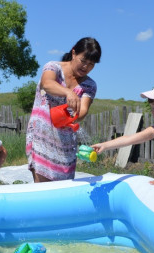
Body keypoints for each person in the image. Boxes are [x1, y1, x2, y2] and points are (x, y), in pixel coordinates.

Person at [26, 37, 101, 182]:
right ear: (74, 53)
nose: (86, 67)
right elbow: (47, 84)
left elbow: (83, 111)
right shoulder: (53, 67)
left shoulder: (90, 85)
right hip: (41, 136)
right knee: (42, 189)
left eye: (91, 64)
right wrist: (68, 92)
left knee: (63, 188)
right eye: (83, 61)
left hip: (65, 144)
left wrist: (76, 115)